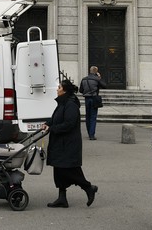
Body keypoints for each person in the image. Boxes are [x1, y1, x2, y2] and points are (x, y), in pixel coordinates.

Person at [41, 79, 98, 208]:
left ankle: (89, 187)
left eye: (59, 87)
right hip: (61, 143)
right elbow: (56, 118)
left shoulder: (70, 104)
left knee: (70, 170)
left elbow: (69, 124)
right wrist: (47, 123)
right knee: (59, 169)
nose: (57, 89)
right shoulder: (62, 103)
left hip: (68, 144)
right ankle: (62, 198)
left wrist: (52, 128)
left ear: (64, 90)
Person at [79, 66, 107, 140]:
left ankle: (89, 132)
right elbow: (104, 86)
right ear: (96, 72)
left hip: (86, 99)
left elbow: (81, 90)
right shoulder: (97, 79)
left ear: (90, 71)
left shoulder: (84, 79)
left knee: (87, 116)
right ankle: (92, 135)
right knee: (93, 117)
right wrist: (99, 77)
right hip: (94, 98)